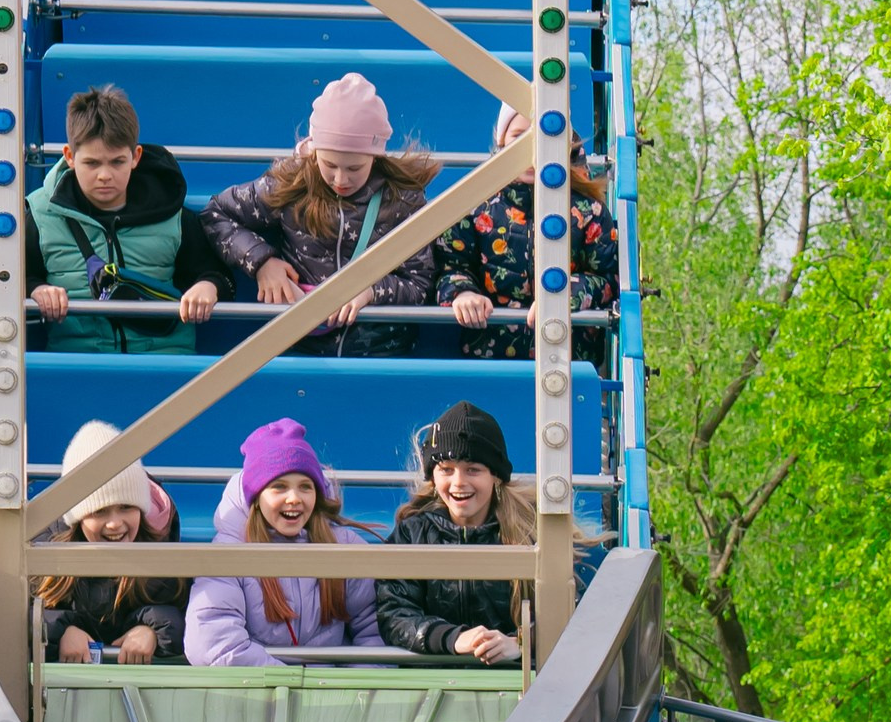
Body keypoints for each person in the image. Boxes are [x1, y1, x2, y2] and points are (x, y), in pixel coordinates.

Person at [204, 74, 439, 355]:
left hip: (380, 351)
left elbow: (419, 284)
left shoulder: (402, 200)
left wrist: (371, 291)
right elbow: (215, 213)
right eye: (329, 164)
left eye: (354, 168)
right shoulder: (291, 183)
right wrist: (262, 262)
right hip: (300, 347)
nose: (341, 179)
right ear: (314, 150)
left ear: (375, 157)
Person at [23, 84, 234, 352]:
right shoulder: (40, 214)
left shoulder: (172, 214)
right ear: (70, 157)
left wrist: (208, 287)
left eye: (117, 162)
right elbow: (11, 280)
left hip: (164, 356)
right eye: (92, 163)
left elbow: (217, 274)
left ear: (135, 157)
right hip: (78, 358)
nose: (104, 175)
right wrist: (36, 289)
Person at [439, 99, 621, 375]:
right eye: (519, 138)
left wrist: (565, 293)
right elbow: (451, 266)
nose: (533, 152)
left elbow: (608, 279)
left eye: (543, 139)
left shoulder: (588, 211)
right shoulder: (476, 208)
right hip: (490, 362)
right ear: (501, 142)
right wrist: (463, 292)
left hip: (567, 362)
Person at [185, 418, 384, 661]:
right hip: (256, 683)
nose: (294, 498)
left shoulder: (343, 544)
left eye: (305, 487)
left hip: (333, 683)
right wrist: (284, 680)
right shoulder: (229, 551)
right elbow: (213, 641)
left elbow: (375, 631)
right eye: (279, 487)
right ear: (256, 498)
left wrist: (355, 683)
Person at [375, 401, 533, 663]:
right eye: (446, 470)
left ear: (495, 476)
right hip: (432, 678)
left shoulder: (528, 533)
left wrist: (520, 643)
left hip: (513, 677)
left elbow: (560, 616)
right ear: (433, 477)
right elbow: (394, 615)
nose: (459, 482)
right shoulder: (412, 534)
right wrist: (452, 638)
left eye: (473, 470)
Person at [36, 424, 188, 661]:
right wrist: (59, 631)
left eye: (126, 507)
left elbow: (189, 614)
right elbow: (11, 614)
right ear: (78, 518)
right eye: (99, 511)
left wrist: (153, 631)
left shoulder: (160, 557)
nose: (115, 523)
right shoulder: (44, 553)